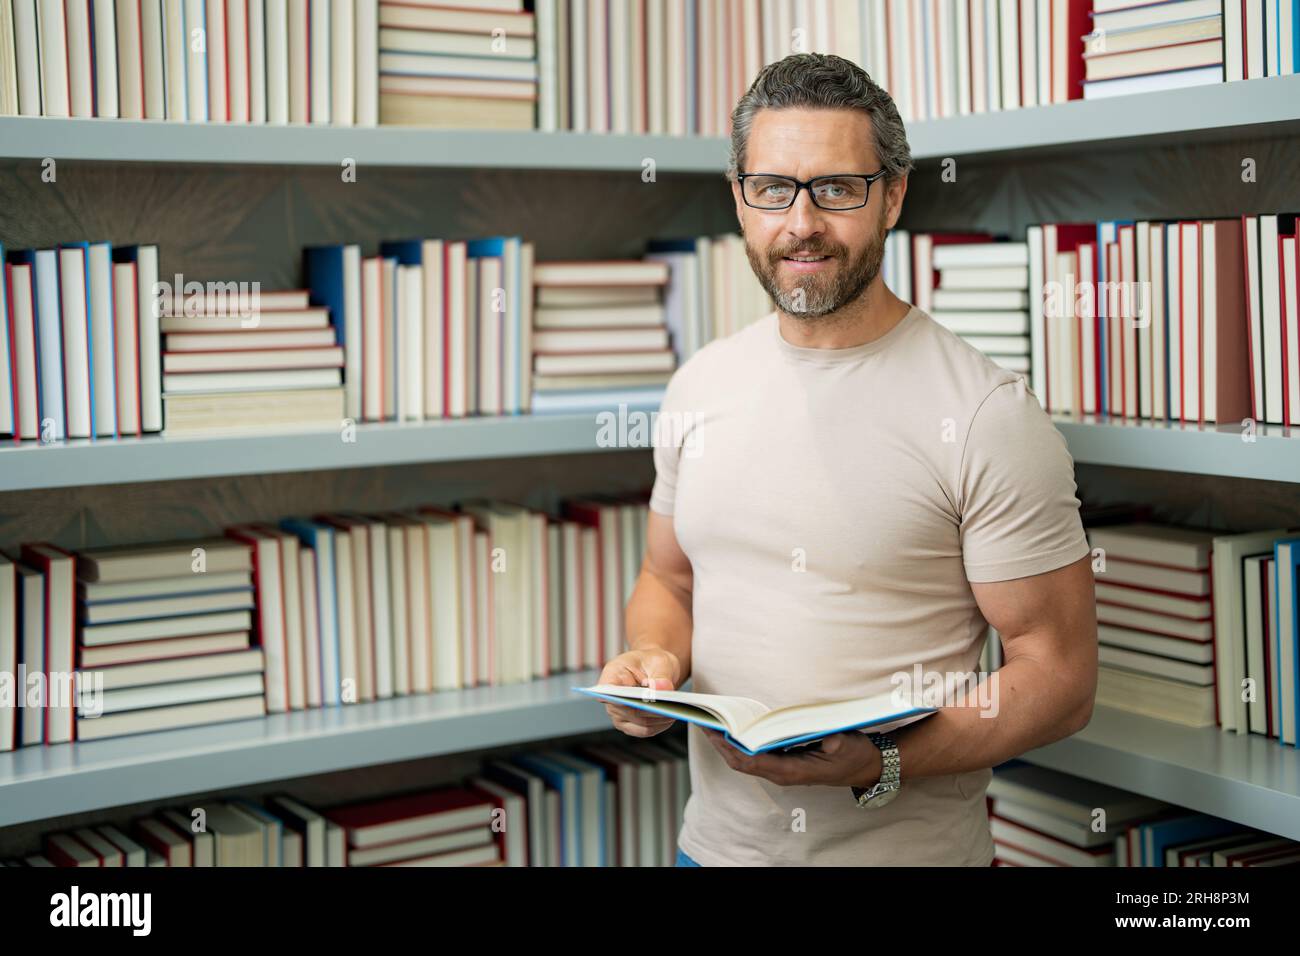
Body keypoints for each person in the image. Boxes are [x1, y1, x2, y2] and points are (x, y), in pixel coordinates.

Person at [598, 53, 1097, 867]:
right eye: (773, 189)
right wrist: (655, 663)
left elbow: (1061, 677)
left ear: (893, 195)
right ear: (740, 198)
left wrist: (882, 763)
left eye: (836, 188)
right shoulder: (701, 381)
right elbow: (669, 580)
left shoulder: (985, 415)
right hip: (710, 853)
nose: (801, 224)